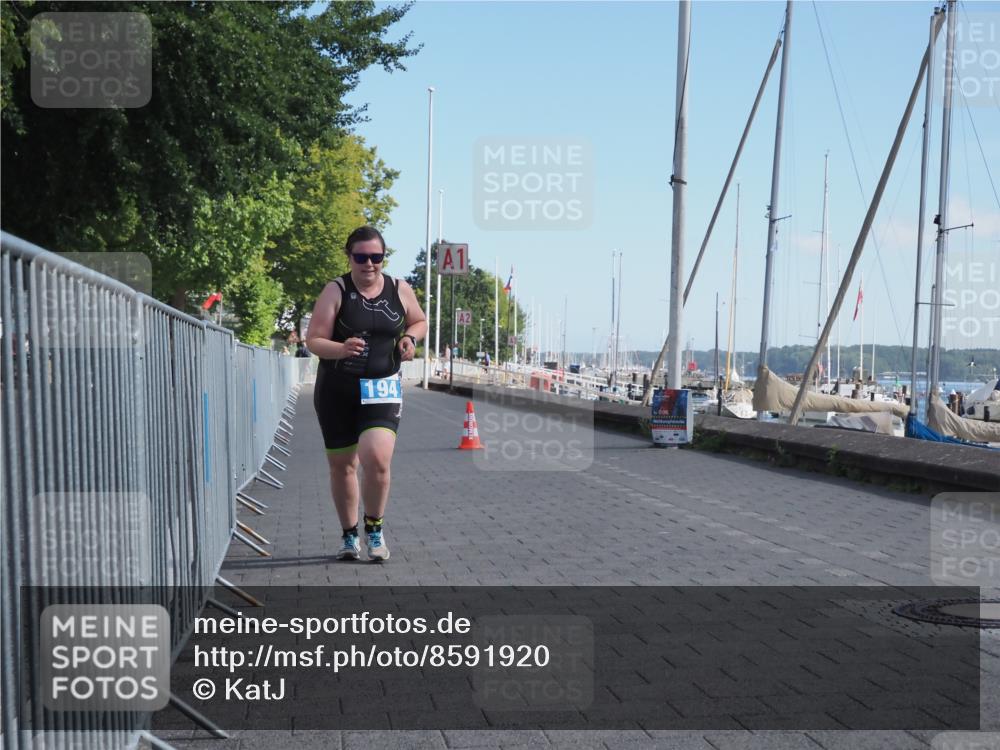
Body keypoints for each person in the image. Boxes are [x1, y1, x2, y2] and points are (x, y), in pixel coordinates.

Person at [306, 226, 427, 562]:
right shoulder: (336, 290)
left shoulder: (400, 288)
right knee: (343, 466)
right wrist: (341, 348)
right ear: (350, 257)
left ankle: (374, 530)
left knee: (377, 459)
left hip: (382, 386)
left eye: (376, 257)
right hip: (337, 389)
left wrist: (410, 339)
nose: (369, 264)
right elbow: (314, 339)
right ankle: (348, 536)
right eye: (361, 257)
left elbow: (418, 320)